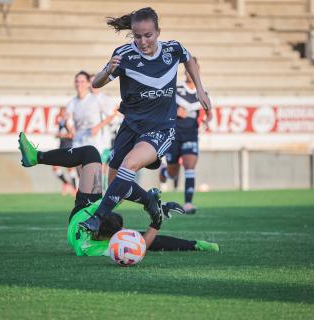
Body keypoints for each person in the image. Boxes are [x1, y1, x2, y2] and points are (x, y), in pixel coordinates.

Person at [80, 7, 212, 233]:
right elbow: (96, 83)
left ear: (158, 32)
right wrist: (107, 71)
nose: (142, 41)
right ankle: (150, 201)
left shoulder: (174, 49)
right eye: (137, 36)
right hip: (131, 127)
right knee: (115, 186)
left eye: (148, 35)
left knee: (129, 164)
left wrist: (200, 89)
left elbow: (190, 60)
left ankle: (98, 218)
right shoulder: (123, 55)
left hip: (161, 128)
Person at [18, 132, 219, 256]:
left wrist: (155, 222)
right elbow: (148, 244)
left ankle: (37, 157)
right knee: (93, 157)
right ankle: (192, 241)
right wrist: (157, 219)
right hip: (88, 213)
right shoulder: (109, 240)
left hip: (81, 213)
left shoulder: (100, 249)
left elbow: (143, 245)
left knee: (92, 155)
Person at [159, 57, 213, 214]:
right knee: (172, 172)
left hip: (191, 134)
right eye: (189, 69)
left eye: (194, 69)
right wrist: (176, 112)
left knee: (190, 166)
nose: (191, 72)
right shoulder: (176, 89)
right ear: (185, 71)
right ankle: (164, 172)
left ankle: (188, 203)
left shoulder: (202, 92)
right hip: (174, 135)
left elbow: (209, 112)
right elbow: (163, 108)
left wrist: (208, 120)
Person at [65, 71, 116, 158]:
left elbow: (111, 114)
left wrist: (98, 127)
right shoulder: (72, 102)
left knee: (95, 169)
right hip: (78, 140)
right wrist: (70, 128)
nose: (79, 84)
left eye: (82, 81)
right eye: (77, 81)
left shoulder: (96, 99)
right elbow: (68, 120)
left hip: (94, 141)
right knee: (79, 169)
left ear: (89, 83)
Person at [53, 106, 77, 195]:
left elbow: (72, 135)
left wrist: (61, 135)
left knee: (70, 168)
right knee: (55, 167)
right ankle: (67, 184)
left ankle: (74, 188)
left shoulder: (68, 122)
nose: (60, 113)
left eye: (62, 111)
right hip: (61, 147)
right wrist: (58, 135)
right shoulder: (61, 122)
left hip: (68, 147)